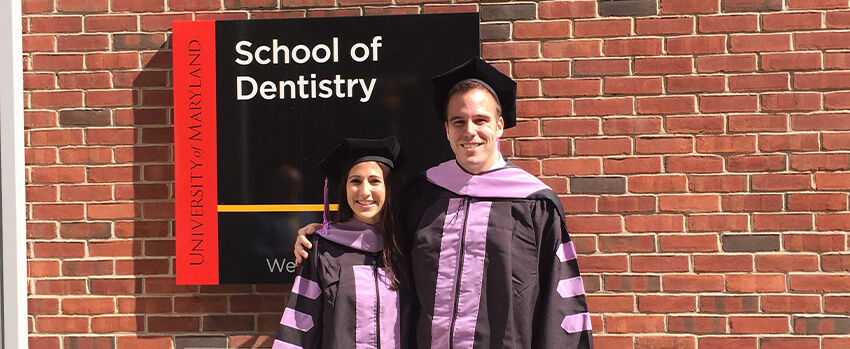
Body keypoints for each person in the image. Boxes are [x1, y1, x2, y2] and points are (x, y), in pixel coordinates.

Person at [296, 57, 593, 348]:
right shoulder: (423, 195)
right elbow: (376, 238)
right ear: (447, 130)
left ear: (500, 126)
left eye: (481, 120)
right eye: (459, 121)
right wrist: (323, 237)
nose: (470, 131)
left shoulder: (535, 206)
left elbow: (559, 306)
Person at [273, 137, 412, 349]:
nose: (364, 192)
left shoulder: (410, 247)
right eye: (355, 181)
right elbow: (299, 326)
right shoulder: (322, 248)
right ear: (345, 189)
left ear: (388, 188)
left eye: (374, 181)